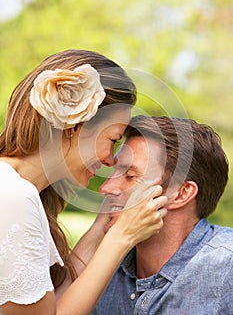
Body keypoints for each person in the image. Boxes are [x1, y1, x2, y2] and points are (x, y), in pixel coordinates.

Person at [0, 50, 168, 315]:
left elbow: (54, 304)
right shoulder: (13, 196)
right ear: (74, 125)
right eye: (113, 139)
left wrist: (101, 228)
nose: (112, 161)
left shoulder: (19, 190)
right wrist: (121, 237)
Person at [92, 115, 232, 315]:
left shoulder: (227, 267)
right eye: (113, 173)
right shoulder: (101, 268)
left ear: (182, 194)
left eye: (130, 176)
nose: (106, 188)